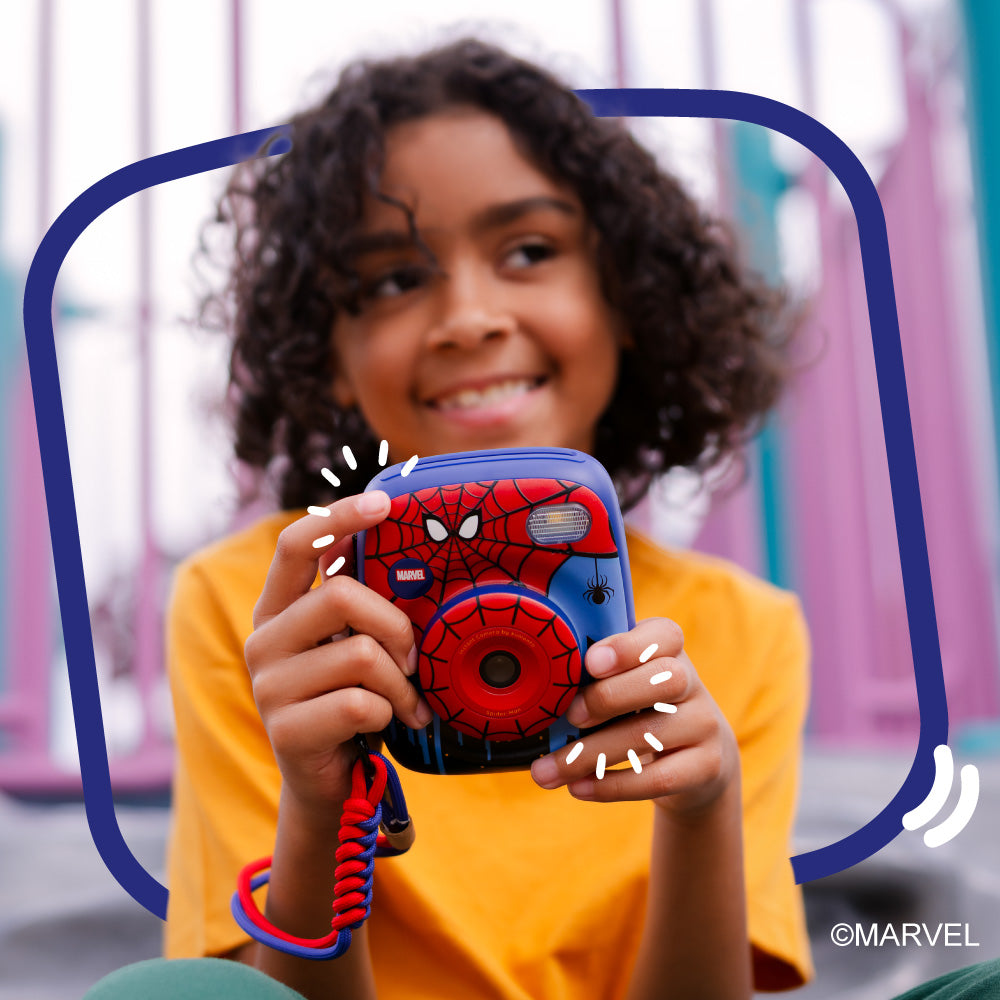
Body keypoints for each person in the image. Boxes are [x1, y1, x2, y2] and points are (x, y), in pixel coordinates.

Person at [166, 37, 813, 1000]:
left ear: (627, 299)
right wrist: (321, 806)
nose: (468, 316)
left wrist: (701, 807)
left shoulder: (745, 633)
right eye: (392, 279)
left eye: (529, 251)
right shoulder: (256, 607)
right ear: (328, 354)